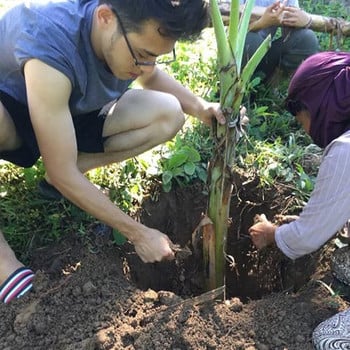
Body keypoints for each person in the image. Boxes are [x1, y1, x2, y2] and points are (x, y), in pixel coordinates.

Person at [0, 0, 226, 304]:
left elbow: (150, 77)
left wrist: (200, 107)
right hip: (13, 110)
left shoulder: (128, 29)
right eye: (142, 55)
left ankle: (68, 172)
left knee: (168, 113)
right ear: (105, 17)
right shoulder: (49, 38)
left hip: (67, 110)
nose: (145, 66)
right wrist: (137, 233)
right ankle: (4, 265)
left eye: (155, 56)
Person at [248, 51, 350, 349]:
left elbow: (305, 239)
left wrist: (272, 234)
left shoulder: (345, 151)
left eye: (299, 117)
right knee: (343, 264)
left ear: (319, 105)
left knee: (328, 339)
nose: (304, 130)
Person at [241, 0, 319, 82]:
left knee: (307, 38)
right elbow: (228, 27)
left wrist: (306, 22)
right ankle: (237, 87)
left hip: (264, 57)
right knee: (252, 40)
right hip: (235, 56)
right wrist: (261, 23)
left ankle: (267, 88)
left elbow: (290, 33)